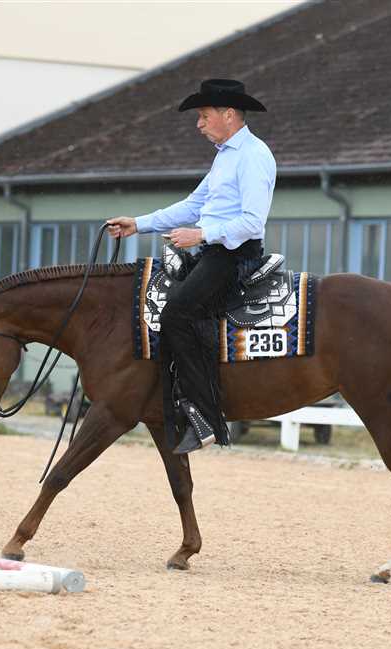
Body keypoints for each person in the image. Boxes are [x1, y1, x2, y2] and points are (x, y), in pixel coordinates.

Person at [107, 79, 276, 454]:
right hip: (213, 251)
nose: (199, 124)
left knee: (177, 314)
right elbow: (192, 205)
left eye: (203, 115)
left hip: (235, 255)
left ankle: (206, 418)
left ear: (228, 114)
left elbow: (252, 222)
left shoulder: (253, 155)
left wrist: (200, 235)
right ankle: (170, 401)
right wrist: (138, 224)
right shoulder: (225, 157)